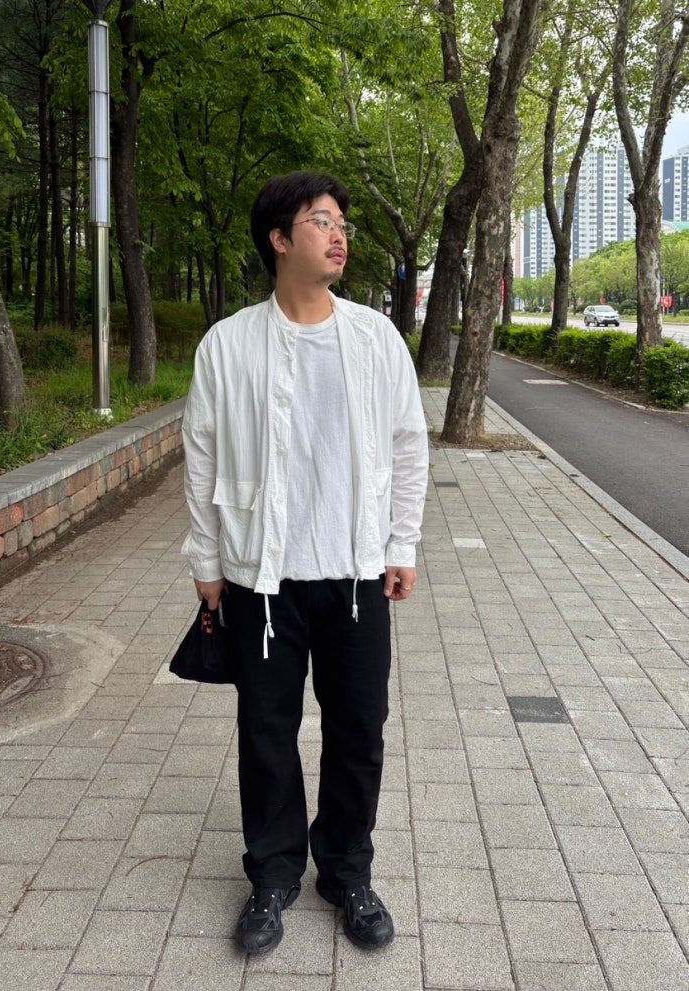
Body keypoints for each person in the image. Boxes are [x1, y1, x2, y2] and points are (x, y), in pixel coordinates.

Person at [181, 171, 428, 955]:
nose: (338, 232)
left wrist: (401, 543)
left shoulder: (374, 338)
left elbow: (407, 444)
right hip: (261, 578)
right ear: (280, 239)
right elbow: (201, 456)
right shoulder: (228, 344)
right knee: (266, 730)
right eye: (321, 220)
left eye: (340, 221)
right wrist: (206, 561)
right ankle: (273, 875)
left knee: (359, 730)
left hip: (356, 574)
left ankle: (347, 872)